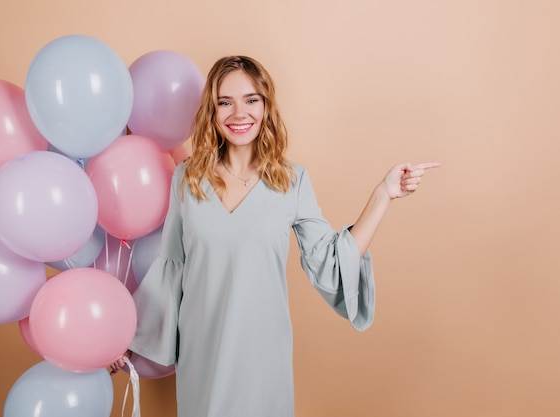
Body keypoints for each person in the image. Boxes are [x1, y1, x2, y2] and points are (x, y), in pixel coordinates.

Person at [111, 55, 440, 417]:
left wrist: (383, 194)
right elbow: (171, 269)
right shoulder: (187, 179)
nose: (239, 113)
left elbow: (332, 260)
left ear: (266, 106)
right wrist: (128, 340)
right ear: (212, 111)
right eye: (225, 102)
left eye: (251, 100)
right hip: (204, 355)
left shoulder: (291, 180)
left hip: (263, 359)